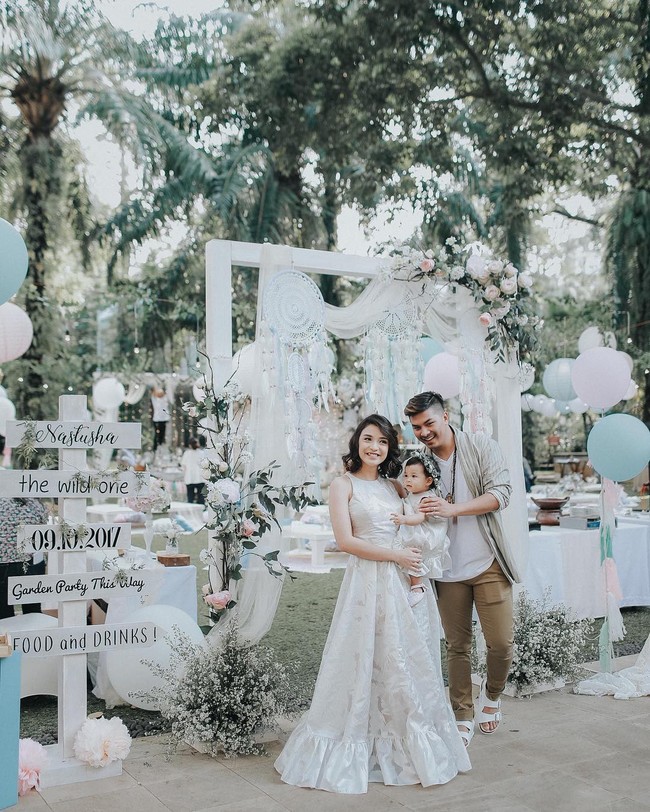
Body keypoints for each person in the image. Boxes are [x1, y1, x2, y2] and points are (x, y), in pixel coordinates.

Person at [275, 414, 470, 794]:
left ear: (389, 448)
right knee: (363, 656)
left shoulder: (394, 486)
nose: (374, 447)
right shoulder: (342, 485)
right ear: (357, 443)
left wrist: (429, 524)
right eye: (368, 439)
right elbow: (346, 541)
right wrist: (395, 555)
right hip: (367, 579)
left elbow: (419, 518)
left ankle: (407, 739)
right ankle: (354, 740)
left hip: (402, 581)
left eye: (382, 441)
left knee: (403, 661)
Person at [404, 391, 518, 747]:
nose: (423, 432)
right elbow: (398, 491)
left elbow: (502, 493)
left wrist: (453, 509)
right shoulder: (418, 462)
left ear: (446, 415)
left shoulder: (482, 446)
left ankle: (492, 695)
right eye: (416, 427)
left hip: (487, 562)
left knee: (501, 643)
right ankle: (462, 714)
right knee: (457, 646)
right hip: (446, 570)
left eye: (429, 423)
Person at [390, 453, 451, 608]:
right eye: (406, 476)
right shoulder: (414, 494)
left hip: (424, 534)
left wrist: (404, 519)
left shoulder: (425, 499)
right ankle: (414, 583)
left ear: (428, 481)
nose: (408, 480)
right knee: (409, 551)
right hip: (415, 529)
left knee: (412, 552)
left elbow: (419, 517)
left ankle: (417, 586)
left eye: (414, 476)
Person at [0, 497, 50, 619]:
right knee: (33, 611)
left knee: (3, 612)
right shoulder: (34, 503)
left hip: (4, 561)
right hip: (32, 561)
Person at [181, 437, 205, 504]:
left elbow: (183, 466)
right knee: (201, 497)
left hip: (189, 477)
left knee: (190, 497)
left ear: (190, 445)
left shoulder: (187, 453)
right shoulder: (202, 453)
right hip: (200, 477)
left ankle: (191, 509)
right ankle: (201, 509)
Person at [151, 386, 171, 451]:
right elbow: (153, 394)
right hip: (156, 419)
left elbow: (167, 394)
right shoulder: (155, 400)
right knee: (157, 434)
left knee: (162, 434)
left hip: (163, 419)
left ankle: (160, 445)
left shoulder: (165, 399)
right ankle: (155, 447)